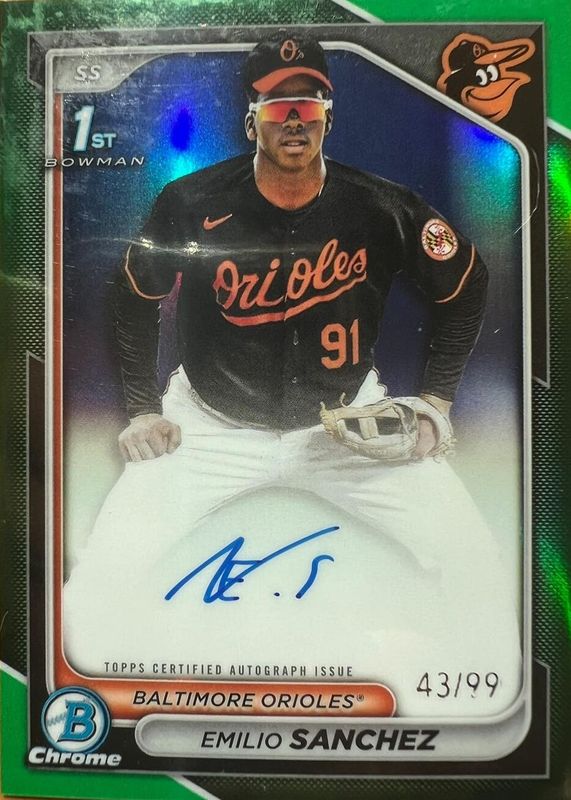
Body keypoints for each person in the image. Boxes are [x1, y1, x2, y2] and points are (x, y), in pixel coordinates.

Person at [64, 34, 520, 715]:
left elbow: (466, 281)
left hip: (345, 429)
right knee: (101, 577)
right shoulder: (190, 201)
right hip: (207, 428)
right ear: (251, 119)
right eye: (279, 105)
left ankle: (482, 708)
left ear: (329, 116)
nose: (295, 118)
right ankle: (83, 719)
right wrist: (141, 408)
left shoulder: (380, 206)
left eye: (309, 103)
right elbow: (134, 296)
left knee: (471, 559)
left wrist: (435, 399)